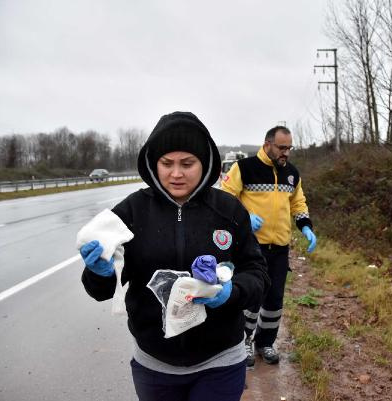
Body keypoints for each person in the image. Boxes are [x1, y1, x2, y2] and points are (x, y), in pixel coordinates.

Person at [79, 111, 270, 401]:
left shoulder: (229, 210)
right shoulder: (131, 212)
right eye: (166, 163)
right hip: (154, 364)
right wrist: (100, 273)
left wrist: (230, 293)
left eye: (187, 163)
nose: (176, 173)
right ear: (154, 164)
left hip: (220, 361)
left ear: (204, 163)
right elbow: (102, 291)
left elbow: (258, 275)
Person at [220, 125, 317, 366]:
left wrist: (305, 225)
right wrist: (244, 217)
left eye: (289, 148)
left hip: (280, 248)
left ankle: (265, 343)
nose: (286, 153)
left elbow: (298, 203)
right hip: (252, 248)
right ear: (267, 145)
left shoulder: (292, 174)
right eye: (282, 148)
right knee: (252, 298)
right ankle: (242, 342)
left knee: (274, 300)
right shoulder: (244, 168)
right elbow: (224, 199)